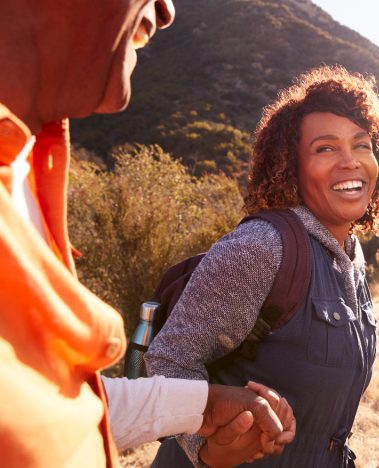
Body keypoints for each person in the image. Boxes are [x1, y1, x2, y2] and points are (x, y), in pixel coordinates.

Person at [0, 0, 295, 466]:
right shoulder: (258, 245)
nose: (167, 10)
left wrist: (200, 406)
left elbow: (48, 405)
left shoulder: (26, 166)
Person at [145, 65, 379, 467]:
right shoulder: (262, 248)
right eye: (326, 148)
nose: (350, 162)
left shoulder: (351, 254)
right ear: (291, 167)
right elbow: (169, 359)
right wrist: (208, 450)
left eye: (362, 145)